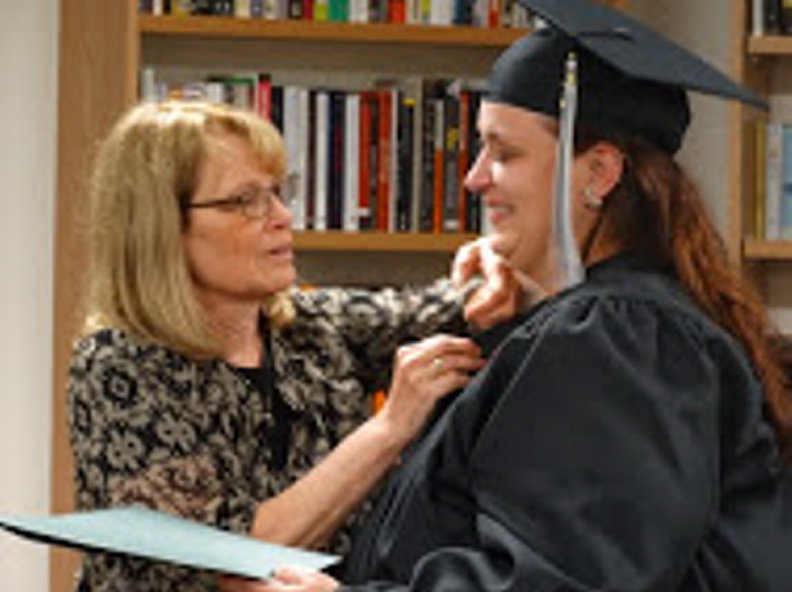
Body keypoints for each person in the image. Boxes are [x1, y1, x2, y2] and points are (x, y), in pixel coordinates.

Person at [235, 0, 792, 590]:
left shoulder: (616, 338)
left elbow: (559, 580)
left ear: (599, 173)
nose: (474, 177)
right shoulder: (631, 322)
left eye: (504, 153)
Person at [67, 99, 522, 591]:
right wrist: (389, 428)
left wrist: (498, 256)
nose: (282, 216)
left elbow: (447, 309)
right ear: (161, 227)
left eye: (277, 193)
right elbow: (224, 558)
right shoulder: (118, 367)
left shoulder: (311, 326)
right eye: (244, 201)